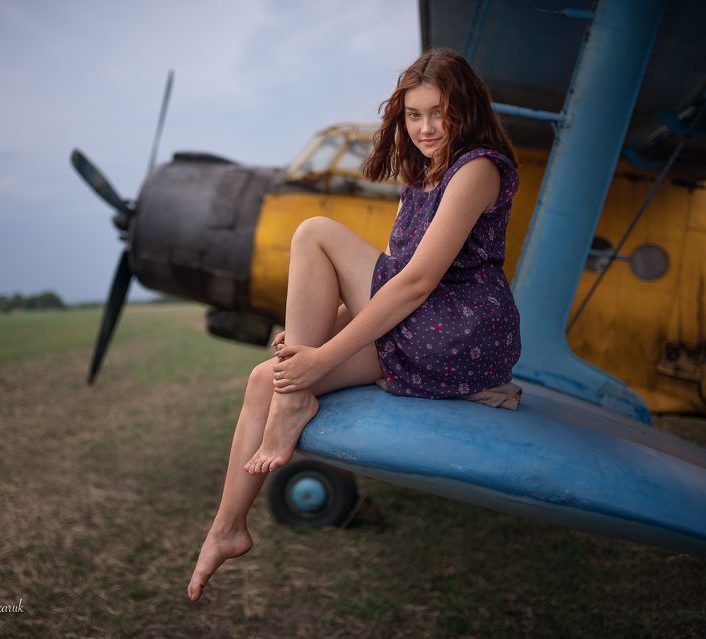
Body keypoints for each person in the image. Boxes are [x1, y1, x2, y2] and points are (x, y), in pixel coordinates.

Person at [187, 48, 521, 602]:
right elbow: (379, 284)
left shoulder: (477, 168)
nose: (426, 127)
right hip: (427, 326)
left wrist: (319, 356)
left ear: (466, 108)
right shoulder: (423, 172)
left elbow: (414, 283)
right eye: (414, 115)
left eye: (439, 112)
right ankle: (226, 530)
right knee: (265, 379)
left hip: (459, 331)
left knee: (314, 231)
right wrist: (307, 344)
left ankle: (295, 404)